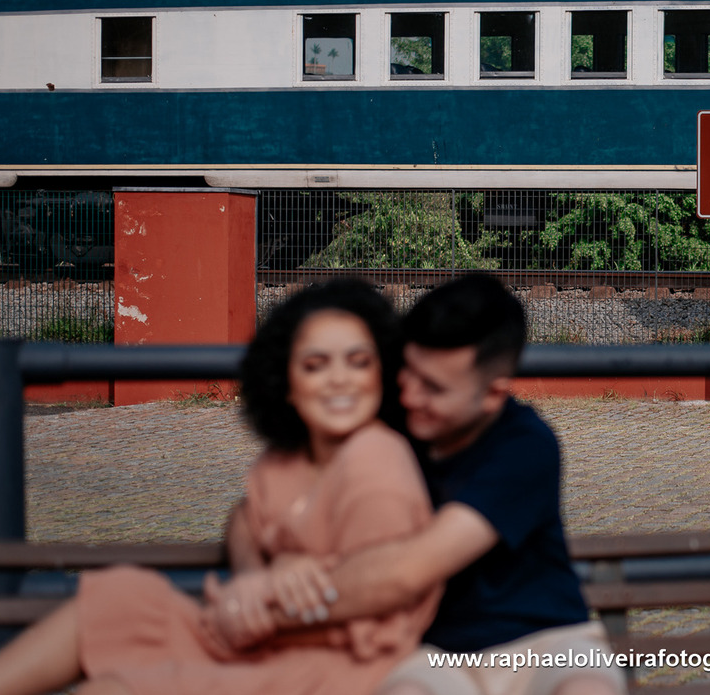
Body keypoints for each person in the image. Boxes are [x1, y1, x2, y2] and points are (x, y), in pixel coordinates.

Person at [0, 279, 440, 695]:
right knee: (119, 602)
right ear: (287, 384)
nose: (339, 379)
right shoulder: (286, 459)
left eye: (358, 362)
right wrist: (257, 574)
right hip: (251, 637)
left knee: (118, 689)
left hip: (327, 664)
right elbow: (247, 520)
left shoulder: (377, 463)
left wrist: (257, 600)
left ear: (383, 375)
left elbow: (377, 616)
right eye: (316, 365)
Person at [220, 273, 626, 695]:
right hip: (432, 655)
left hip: (545, 643)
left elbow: (408, 572)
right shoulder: (388, 426)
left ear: (493, 395)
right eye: (408, 372)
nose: (410, 396)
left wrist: (265, 609)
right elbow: (250, 513)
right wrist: (253, 575)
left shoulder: (525, 446)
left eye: (433, 388)